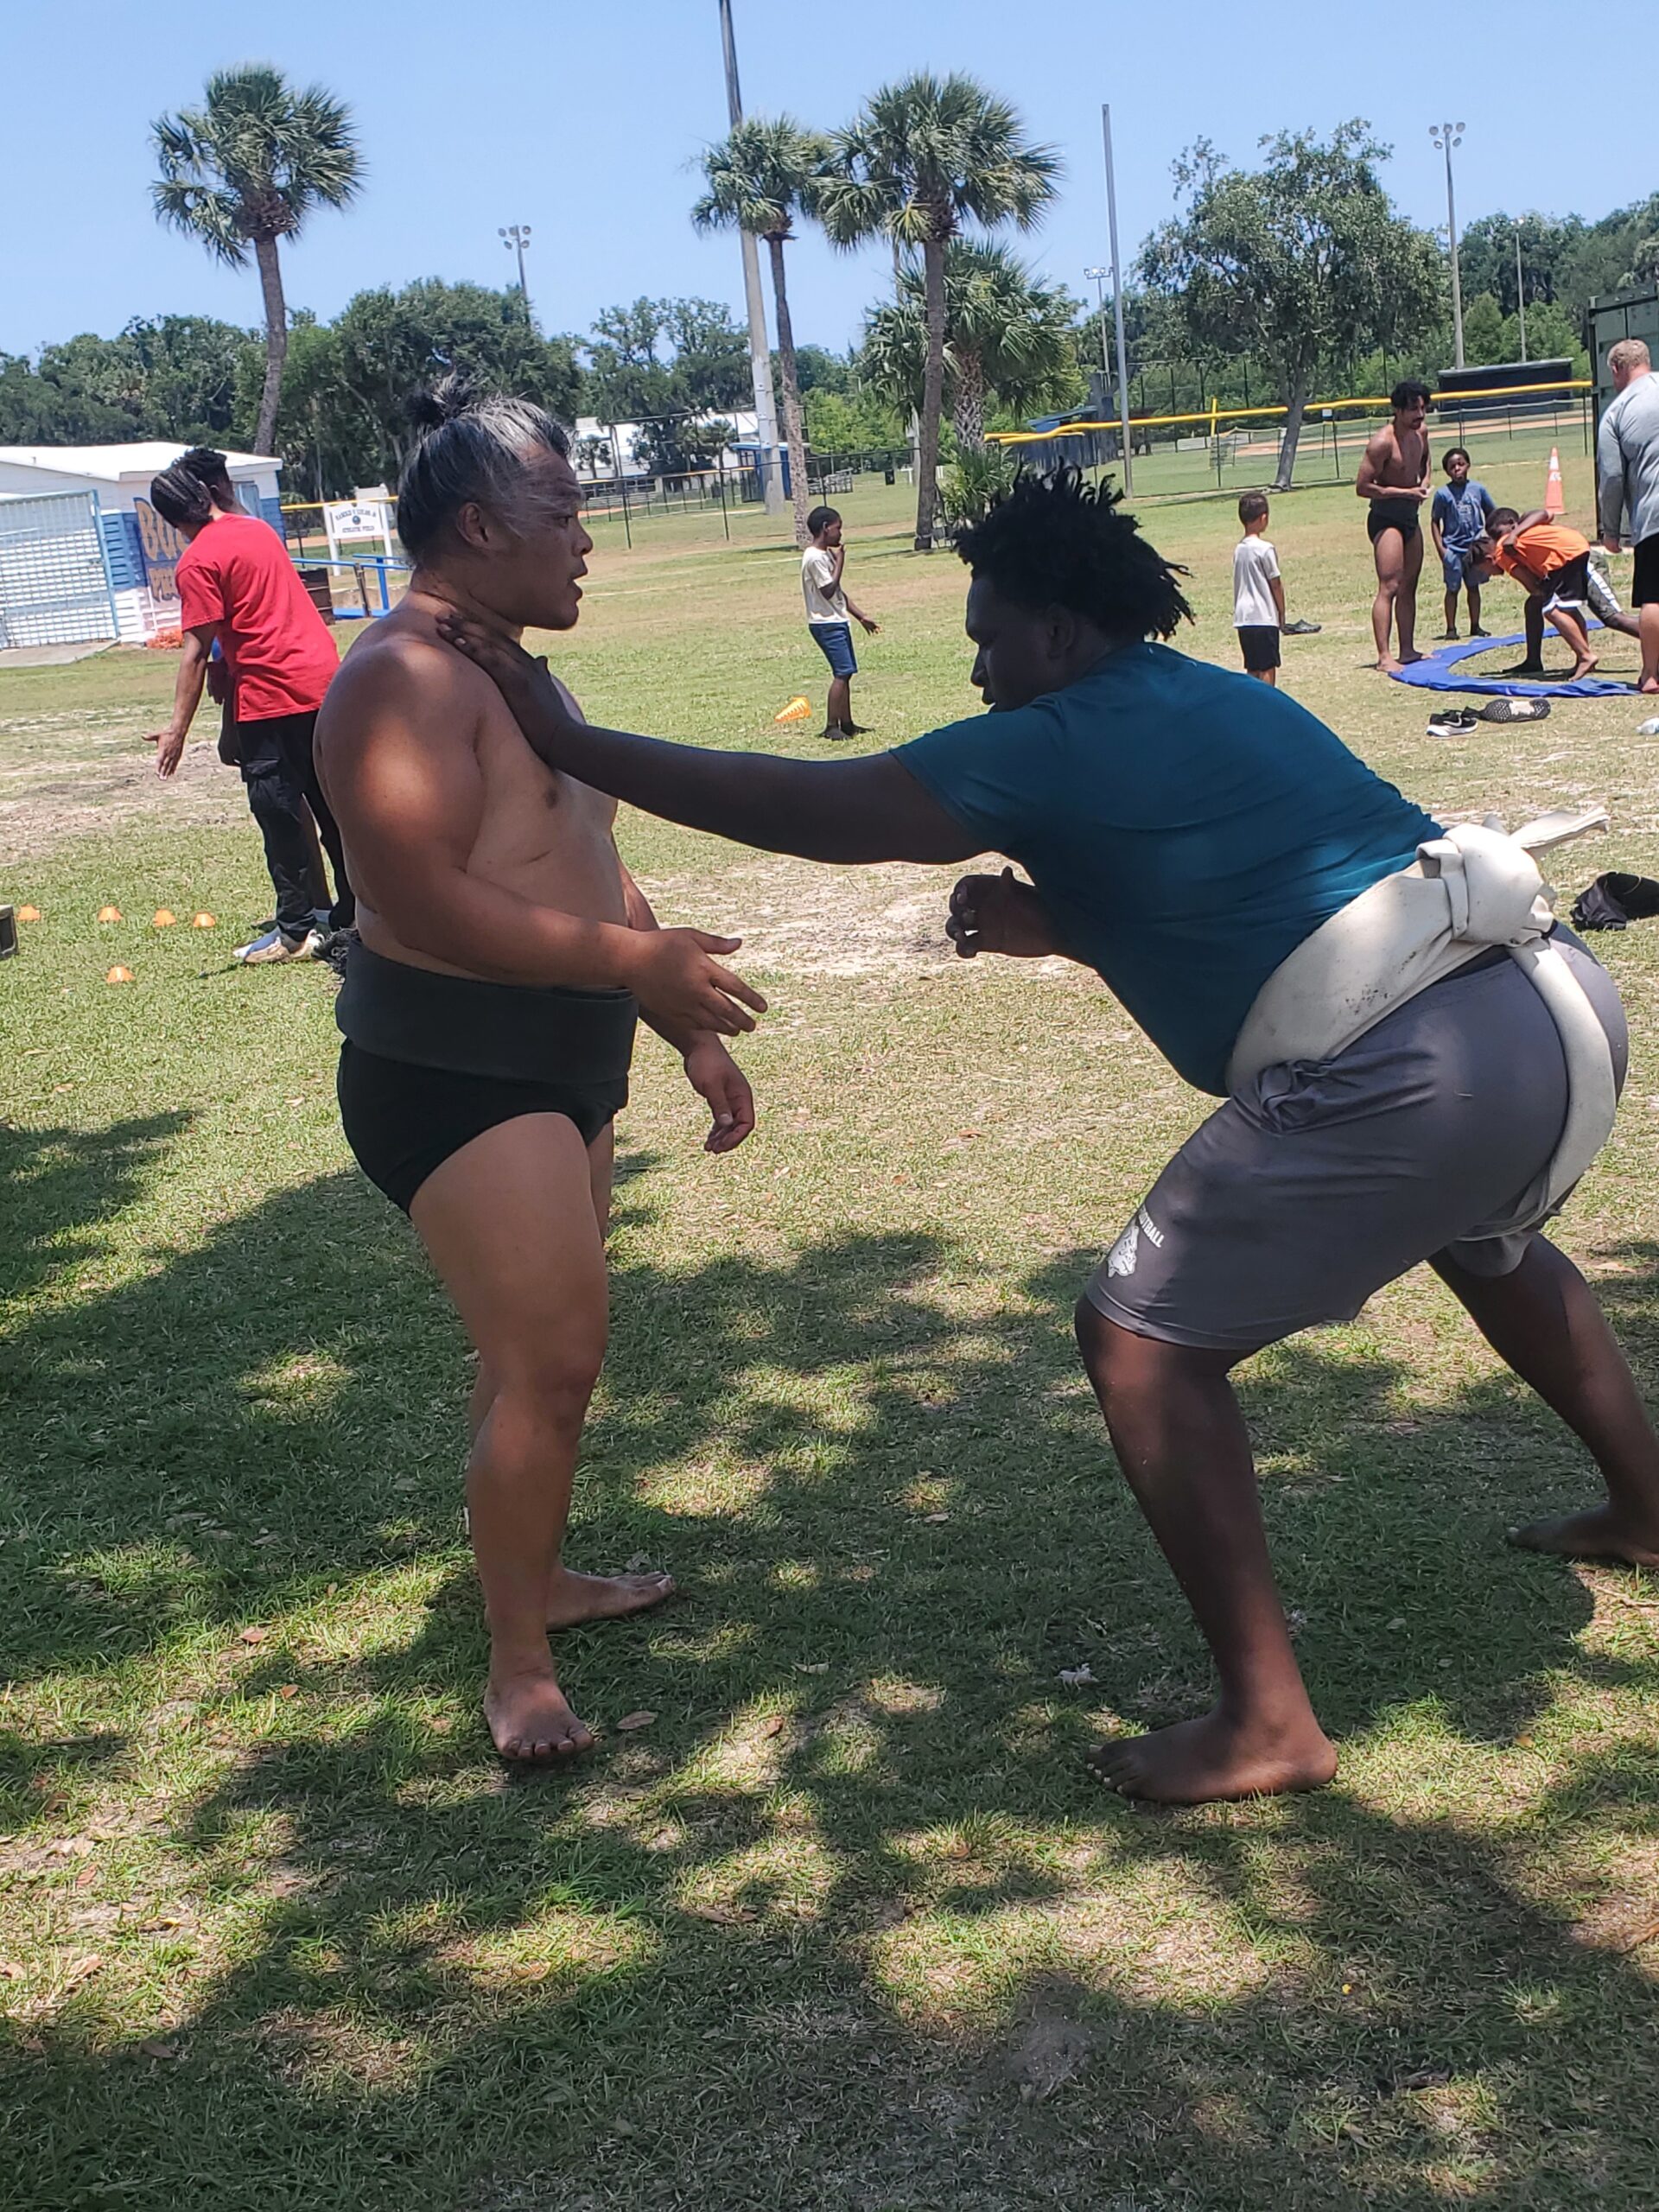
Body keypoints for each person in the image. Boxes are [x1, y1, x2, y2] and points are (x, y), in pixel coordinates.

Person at [438, 467, 1659, 1808]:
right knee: (1485, 1242)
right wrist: (1062, 924)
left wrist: (566, 731)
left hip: (1412, 1067)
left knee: (1139, 1341)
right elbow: (1257, 887)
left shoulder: (1053, 733)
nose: (974, 671)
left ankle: (1268, 1720)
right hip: (1546, 1020)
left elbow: (814, 811)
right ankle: (1645, 1503)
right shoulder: (1213, 695)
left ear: (1061, 637)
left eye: (987, 639)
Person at [314, 378, 764, 1765]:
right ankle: (518, 1664)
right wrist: (632, 970)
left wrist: (675, 1017)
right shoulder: (400, 679)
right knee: (554, 1361)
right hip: (454, 1068)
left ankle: (539, 1575)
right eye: (562, 513)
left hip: (562, 1058)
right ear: (474, 522)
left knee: (531, 1363)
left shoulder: (512, 664)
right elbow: (422, 898)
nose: (585, 540)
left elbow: (576, 846)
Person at [147, 460, 353, 963]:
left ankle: (297, 930)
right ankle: (355, 912)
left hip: (273, 694)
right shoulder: (257, 531)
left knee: (277, 812)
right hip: (325, 680)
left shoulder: (197, 562)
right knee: (333, 808)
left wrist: (177, 729)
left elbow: (195, 652)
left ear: (170, 519)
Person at [1475, 508, 1604, 681]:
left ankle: (1586, 656)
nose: (1489, 575)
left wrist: (1541, 590)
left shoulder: (1501, 550)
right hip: (1573, 547)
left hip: (1563, 557)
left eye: (1485, 571)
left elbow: (1533, 587)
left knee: (1552, 609)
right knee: (1567, 609)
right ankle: (1578, 658)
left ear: (1489, 560)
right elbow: (1545, 514)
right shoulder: (1524, 528)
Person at [1357, 379, 1433, 671]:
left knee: (1409, 586)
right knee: (1389, 585)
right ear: (1398, 410)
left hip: (1410, 516)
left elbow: (1425, 462)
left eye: (1423, 408)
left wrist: (1424, 483)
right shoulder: (1382, 443)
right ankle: (1384, 656)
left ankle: (1408, 649)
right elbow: (1362, 487)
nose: (1420, 415)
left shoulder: (1421, 433)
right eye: (1413, 409)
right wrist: (1405, 493)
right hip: (1386, 518)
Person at [1597, 338, 1659, 694]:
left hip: (1653, 514)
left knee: (1653, 596)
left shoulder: (1617, 412)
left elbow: (1613, 477)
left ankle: (1650, 674)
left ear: (1617, 370)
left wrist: (1611, 532)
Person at [801, 505, 880, 740]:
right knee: (842, 672)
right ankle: (831, 726)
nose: (840, 534)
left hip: (837, 620)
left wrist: (861, 616)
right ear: (826, 529)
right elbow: (828, 590)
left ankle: (847, 723)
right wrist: (841, 561)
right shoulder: (814, 558)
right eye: (838, 528)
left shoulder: (823, 555)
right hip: (825, 624)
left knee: (847, 672)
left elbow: (839, 594)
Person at [1429, 447, 1496, 640]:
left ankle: (1475, 625)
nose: (1457, 469)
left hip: (1475, 548)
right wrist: (1441, 549)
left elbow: (1492, 512)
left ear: (1468, 465)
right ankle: (1451, 629)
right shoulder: (1442, 494)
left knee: (1473, 587)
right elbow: (1434, 521)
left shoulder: (1478, 489)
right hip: (1453, 549)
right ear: (1447, 471)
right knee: (1452, 588)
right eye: (1452, 466)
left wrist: (1489, 540)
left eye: (1461, 464)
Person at [1232, 493, 1285, 685]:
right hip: (1264, 616)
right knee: (1268, 667)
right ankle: (1267, 705)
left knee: (1252, 667)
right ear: (1263, 518)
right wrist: (1281, 612)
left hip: (1244, 617)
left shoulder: (1239, 549)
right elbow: (1276, 583)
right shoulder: (1265, 549)